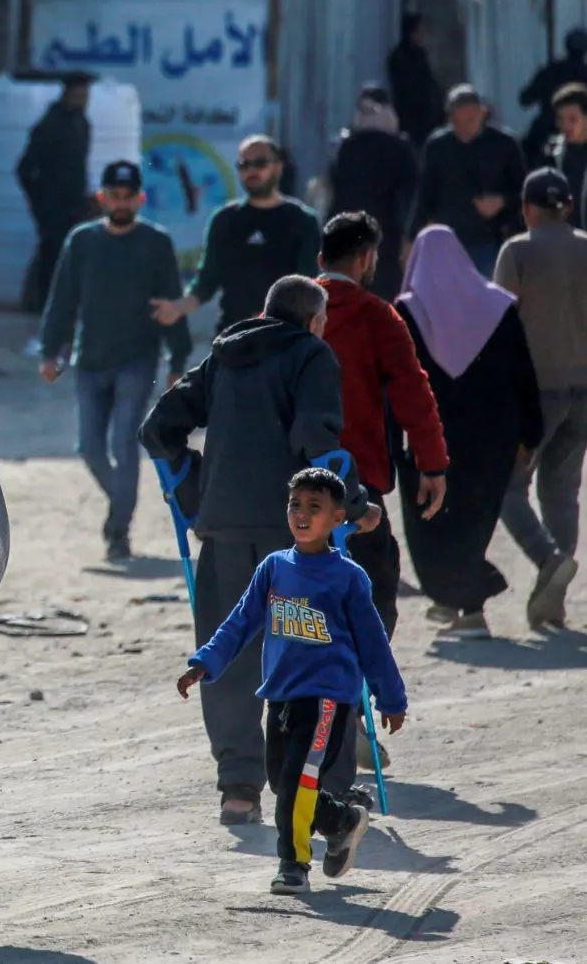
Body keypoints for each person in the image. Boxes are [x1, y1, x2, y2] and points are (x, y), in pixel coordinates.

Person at [140, 275, 380, 828]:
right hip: (292, 535)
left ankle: (239, 789)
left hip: (223, 530)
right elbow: (317, 439)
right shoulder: (311, 355)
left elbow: (158, 428)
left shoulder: (223, 356)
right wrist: (358, 504)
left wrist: (194, 488)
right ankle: (328, 793)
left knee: (229, 655)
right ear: (315, 320)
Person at [177, 467, 406, 895]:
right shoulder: (275, 568)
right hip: (280, 693)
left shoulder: (348, 577)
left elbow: (373, 643)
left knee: (300, 782)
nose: (301, 515)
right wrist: (204, 662)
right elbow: (240, 622)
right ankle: (341, 820)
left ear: (338, 519)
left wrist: (390, 697)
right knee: (284, 782)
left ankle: (293, 863)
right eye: (295, 505)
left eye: (314, 508)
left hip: (326, 699)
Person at [395, 226, 543, 639]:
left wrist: (392, 438)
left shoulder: (409, 312)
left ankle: (470, 606)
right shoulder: (498, 306)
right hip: (494, 437)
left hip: (434, 439)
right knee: (474, 521)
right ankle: (455, 601)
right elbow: (523, 373)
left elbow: (397, 381)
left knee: (431, 524)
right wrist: (531, 434)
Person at [40, 160, 191, 560]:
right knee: (89, 448)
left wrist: (178, 356)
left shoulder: (155, 242)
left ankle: (117, 531)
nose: (121, 203)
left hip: (137, 360)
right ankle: (122, 500)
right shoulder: (82, 241)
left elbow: (171, 301)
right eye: (114, 196)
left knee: (124, 444)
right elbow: (62, 301)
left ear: (140, 199)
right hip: (89, 359)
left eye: (129, 197)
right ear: (102, 198)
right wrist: (49, 350)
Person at [318, 210, 449, 643]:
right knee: (373, 596)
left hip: (288, 481)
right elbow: (413, 393)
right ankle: (351, 698)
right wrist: (432, 465)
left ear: (322, 258)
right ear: (365, 258)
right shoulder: (377, 316)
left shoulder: (284, 309)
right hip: (356, 485)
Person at [494, 168, 587, 628]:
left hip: (535, 391)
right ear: (567, 206)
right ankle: (552, 600)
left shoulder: (518, 250)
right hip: (583, 389)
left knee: (506, 488)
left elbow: (498, 322)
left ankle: (547, 560)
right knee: (562, 493)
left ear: (527, 209)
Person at [150, 135, 321, 335]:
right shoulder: (224, 220)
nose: (251, 171)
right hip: (232, 339)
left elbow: (309, 286)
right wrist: (178, 307)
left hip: (284, 340)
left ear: (278, 167)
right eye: (244, 164)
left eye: (260, 163)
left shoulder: (303, 221)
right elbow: (205, 283)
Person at [407, 84, 527, 276]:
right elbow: (425, 194)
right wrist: (411, 238)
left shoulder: (503, 144)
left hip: (491, 241)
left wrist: (502, 201)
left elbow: (523, 191)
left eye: (470, 120)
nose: (463, 127)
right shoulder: (438, 146)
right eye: (456, 121)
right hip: (448, 242)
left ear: (483, 113)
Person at [328, 85, 420, 301]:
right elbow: (410, 192)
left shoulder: (346, 146)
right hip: (387, 234)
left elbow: (336, 188)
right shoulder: (400, 146)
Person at [17, 72, 94, 314]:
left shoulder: (82, 123)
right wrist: (40, 202)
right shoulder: (50, 125)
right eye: (79, 93)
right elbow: (25, 169)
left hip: (74, 203)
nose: (82, 99)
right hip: (53, 205)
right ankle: (41, 305)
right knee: (51, 255)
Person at [520, 28, 587, 172]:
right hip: (549, 130)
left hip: (545, 128)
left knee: (525, 160)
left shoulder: (551, 70)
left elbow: (525, 99)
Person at [387, 12, 445, 150]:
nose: (422, 35)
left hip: (425, 119)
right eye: (419, 31)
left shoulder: (420, 56)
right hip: (411, 118)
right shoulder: (400, 57)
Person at [542, 82, 587, 228]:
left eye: (572, 119)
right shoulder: (551, 154)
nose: (566, 126)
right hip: (565, 242)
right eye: (561, 119)